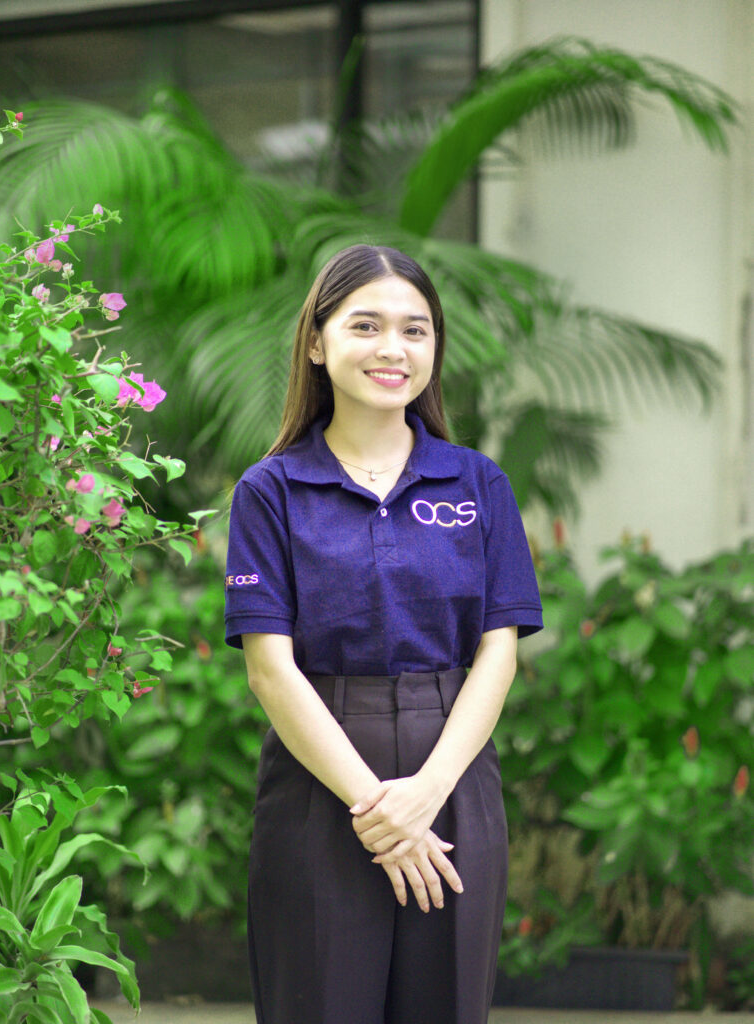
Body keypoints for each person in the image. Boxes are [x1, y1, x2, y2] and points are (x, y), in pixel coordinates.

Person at [224, 243, 543, 1024]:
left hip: (453, 775)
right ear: (315, 340)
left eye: (415, 329)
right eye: (365, 325)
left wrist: (425, 797)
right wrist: (377, 810)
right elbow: (271, 671)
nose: (392, 349)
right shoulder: (270, 491)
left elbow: (496, 653)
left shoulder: (477, 484)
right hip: (318, 782)